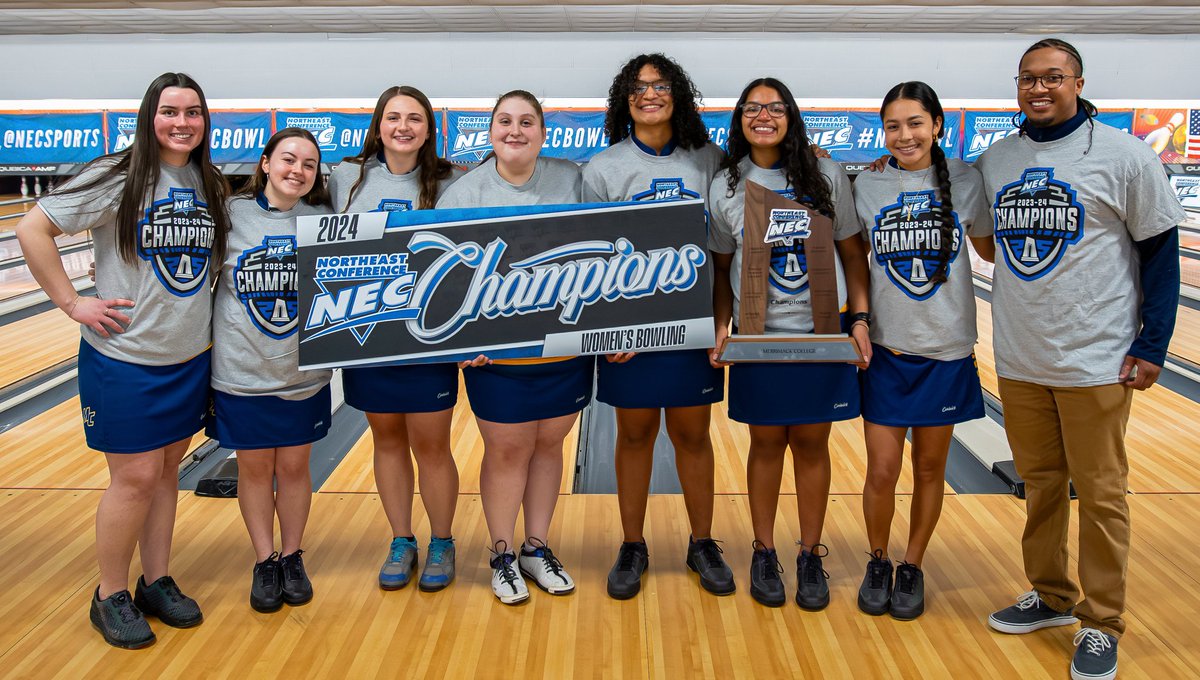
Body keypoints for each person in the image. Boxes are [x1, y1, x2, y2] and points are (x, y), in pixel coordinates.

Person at [976, 39, 1184, 680]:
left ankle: (1102, 622)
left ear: (1078, 81)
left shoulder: (1124, 155)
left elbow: (1162, 251)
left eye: (1052, 77)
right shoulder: (999, 157)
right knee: (1039, 489)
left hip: (1097, 360)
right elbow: (987, 243)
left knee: (1100, 496)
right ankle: (1052, 595)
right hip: (1020, 356)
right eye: (1027, 79)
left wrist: (1152, 345)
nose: (1039, 89)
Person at [16, 72, 231, 648]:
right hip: (125, 357)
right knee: (134, 478)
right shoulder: (121, 174)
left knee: (165, 476)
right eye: (169, 111)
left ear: (205, 120)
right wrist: (71, 302)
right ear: (148, 116)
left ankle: (155, 579)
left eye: (193, 112)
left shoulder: (207, 180)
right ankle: (109, 592)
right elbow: (32, 227)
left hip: (187, 357)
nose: (182, 122)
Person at [708, 77, 871, 609]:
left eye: (775, 108)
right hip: (759, 341)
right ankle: (762, 550)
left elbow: (851, 251)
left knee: (811, 444)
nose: (764, 116)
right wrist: (721, 325)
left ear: (790, 116)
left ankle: (808, 552)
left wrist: (860, 319)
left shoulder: (823, 173)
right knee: (765, 444)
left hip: (820, 336)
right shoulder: (727, 183)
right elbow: (722, 266)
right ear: (739, 119)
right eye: (753, 108)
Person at [582, 53, 733, 600]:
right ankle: (632, 543)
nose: (650, 94)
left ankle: (702, 541)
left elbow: (724, 254)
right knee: (635, 434)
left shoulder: (710, 161)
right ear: (626, 99)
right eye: (639, 87)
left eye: (661, 85)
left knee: (693, 435)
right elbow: (592, 263)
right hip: (630, 334)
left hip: (693, 329)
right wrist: (609, 330)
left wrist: (722, 323)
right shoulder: (602, 170)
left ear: (678, 95)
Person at [436, 90, 592, 605]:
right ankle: (502, 555)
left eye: (527, 122)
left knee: (550, 447)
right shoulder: (463, 193)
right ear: (490, 131)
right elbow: (443, 280)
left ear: (543, 132)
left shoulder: (572, 179)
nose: (515, 131)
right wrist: (462, 338)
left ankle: (536, 548)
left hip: (564, 348)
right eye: (505, 121)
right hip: (496, 356)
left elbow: (607, 250)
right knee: (507, 450)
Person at [851, 81, 994, 620]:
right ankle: (878, 560)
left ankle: (912, 564)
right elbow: (846, 260)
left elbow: (987, 247)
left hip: (947, 350)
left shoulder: (967, 181)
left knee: (931, 469)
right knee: (882, 470)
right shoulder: (867, 185)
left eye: (915, 123)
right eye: (893, 125)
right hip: (888, 349)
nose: (904, 135)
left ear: (937, 124)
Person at [326, 86, 464, 592]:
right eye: (392, 118)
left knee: (431, 443)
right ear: (378, 125)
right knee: (386, 439)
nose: (402, 127)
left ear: (429, 129)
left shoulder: (450, 180)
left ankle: (443, 541)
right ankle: (402, 538)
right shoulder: (347, 177)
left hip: (427, 332)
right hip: (368, 330)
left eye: (414, 119)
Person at [208, 128, 333, 613]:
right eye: (287, 159)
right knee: (256, 470)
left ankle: (294, 554)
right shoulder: (231, 216)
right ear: (264, 162)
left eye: (308, 164)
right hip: (242, 370)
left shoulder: (323, 221)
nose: (297, 170)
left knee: (296, 468)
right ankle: (266, 560)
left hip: (302, 375)